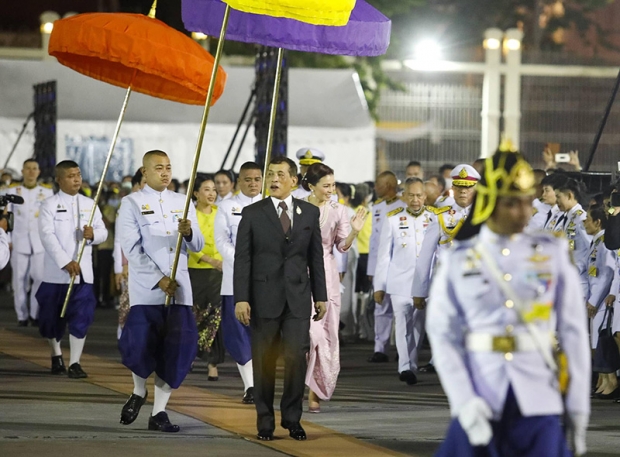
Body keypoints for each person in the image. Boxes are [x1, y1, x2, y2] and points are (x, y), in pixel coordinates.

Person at [427, 149, 590, 457]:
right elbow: (442, 336)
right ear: (489, 202)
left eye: (528, 201)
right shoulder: (459, 260)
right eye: (512, 203)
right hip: (482, 393)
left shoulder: (551, 253)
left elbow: (574, 335)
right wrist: (463, 400)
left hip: (539, 396)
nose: (524, 212)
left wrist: (578, 409)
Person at [233, 156, 327, 442]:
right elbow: (242, 259)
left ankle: (292, 418)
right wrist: (241, 298)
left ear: (294, 181)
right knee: (264, 362)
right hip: (263, 299)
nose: (274, 179)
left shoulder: (309, 213)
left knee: (297, 359)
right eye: (270, 174)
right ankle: (265, 422)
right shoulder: (252, 213)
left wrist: (320, 296)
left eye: (280, 174)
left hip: (298, 299)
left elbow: (315, 257)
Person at [117, 150, 204, 432]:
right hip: (147, 290)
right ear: (144, 172)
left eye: (168, 167)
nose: (165, 173)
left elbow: (198, 245)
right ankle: (139, 390)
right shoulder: (131, 203)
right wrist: (158, 279)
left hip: (179, 290)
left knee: (176, 350)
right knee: (140, 346)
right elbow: (131, 249)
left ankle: (159, 412)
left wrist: (190, 232)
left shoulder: (183, 201)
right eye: (158, 168)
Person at [301, 164, 367, 412]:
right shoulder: (296, 206)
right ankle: (301, 380)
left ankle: (315, 390)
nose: (331, 190)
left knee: (325, 334)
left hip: (326, 275)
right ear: (311, 186)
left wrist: (354, 234)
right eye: (326, 185)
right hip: (298, 274)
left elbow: (341, 246)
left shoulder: (339, 211)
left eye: (333, 185)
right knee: (307, 334)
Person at [36, 160, 108, 378]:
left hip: (83, 274)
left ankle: (75, 362)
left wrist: (93, 235)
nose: (76, 179)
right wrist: (65, 261)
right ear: (59, 180)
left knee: (81, 316)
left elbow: (103, 231)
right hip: (56, 273)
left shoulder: (90, 204)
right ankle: (56, 355)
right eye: (70, 176)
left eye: (78, 175)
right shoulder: (48, 205)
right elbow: (47, 236)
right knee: (51, 318)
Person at [412, 164, 480, 373]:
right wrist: (419, 291)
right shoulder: (441, 216)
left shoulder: (485, 218)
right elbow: (425, 255)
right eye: (459, 187)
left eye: (467, 188)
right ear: (453, 189)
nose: (463, 192)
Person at [374, 178, 436, 386]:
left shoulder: (435, 218)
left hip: (425, 283)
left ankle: (413, 362)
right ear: (404, 196)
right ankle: (405, 366)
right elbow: (384, 255)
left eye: (419, 195)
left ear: (425, 197)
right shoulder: (393, 219)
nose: (415, 199)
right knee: (402, 324)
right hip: (399, 281)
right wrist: (379, 286)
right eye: (411, 195)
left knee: (418, 326)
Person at [214, 161, 263, 404]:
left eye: (257, 179)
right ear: (239, 182)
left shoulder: (272, 205)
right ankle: (250, 385)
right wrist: (244, 262)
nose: (253, 184)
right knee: (238, 331)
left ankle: (262, 381)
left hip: (266, 280)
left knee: (263, 331)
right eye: (248, 179)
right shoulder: (227, 207)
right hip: (236, 277)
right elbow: (221, 241)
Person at [1, 159, 53, 326]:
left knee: (39, 278)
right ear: (22, 171)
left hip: (39, 242)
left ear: (38, 172)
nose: (31, 172)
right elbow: (6, 218)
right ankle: (22, 315)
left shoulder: (46, 192)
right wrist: (6, 239)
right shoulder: (12, 191)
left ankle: (34, 314)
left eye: (34, 169)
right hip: (18, 240)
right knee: (19, 279)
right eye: (28, 169)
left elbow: (50, 219)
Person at [366, 171, 407, 363]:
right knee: (380, 307)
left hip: (399, 265)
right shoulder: (377, 206)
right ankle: (380, 348)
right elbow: (374, 242)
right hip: (381, 266)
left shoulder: (405, 205)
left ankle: (403, 347)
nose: (375, 188)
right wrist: (371, 270)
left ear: (389, 184)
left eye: (379, 184)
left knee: (401, 308)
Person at [188, 174, 225, 381]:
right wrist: (210, 260)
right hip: (195, 269)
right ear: (196, 193)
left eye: (213, 189)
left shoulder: (220, 213)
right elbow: (188, 243)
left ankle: (213, 363)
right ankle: (190, 355)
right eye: (206, 189)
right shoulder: (190, 215)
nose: (211, 193)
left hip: (218, 272)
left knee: (215, 316)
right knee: (194, 314)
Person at [583, 205, 617, 399]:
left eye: (588, 219)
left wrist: (595, 301)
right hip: (595, 299)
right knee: (596, 342)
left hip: (602, 301)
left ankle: (610, 380)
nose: (585, 223)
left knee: (601, 341)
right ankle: (604, 380)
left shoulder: (604, 243)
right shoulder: (596, 243)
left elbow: (607, 274)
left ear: (598, 222)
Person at [113, 169, 146, 339]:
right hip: (130, 265)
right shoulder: (127, 205)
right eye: (145, 183)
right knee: (128, 304)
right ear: (137, 185)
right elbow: (119, 240)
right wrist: (120, 267)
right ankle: (123, 337)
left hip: (150, 266)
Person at [555, 178, 591, 295]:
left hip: (580, 281)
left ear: (569, 195)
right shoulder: (568, 217)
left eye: (558, 197)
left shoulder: (581, 218)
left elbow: (593, 248)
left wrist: (578, 268)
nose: (556, 201)